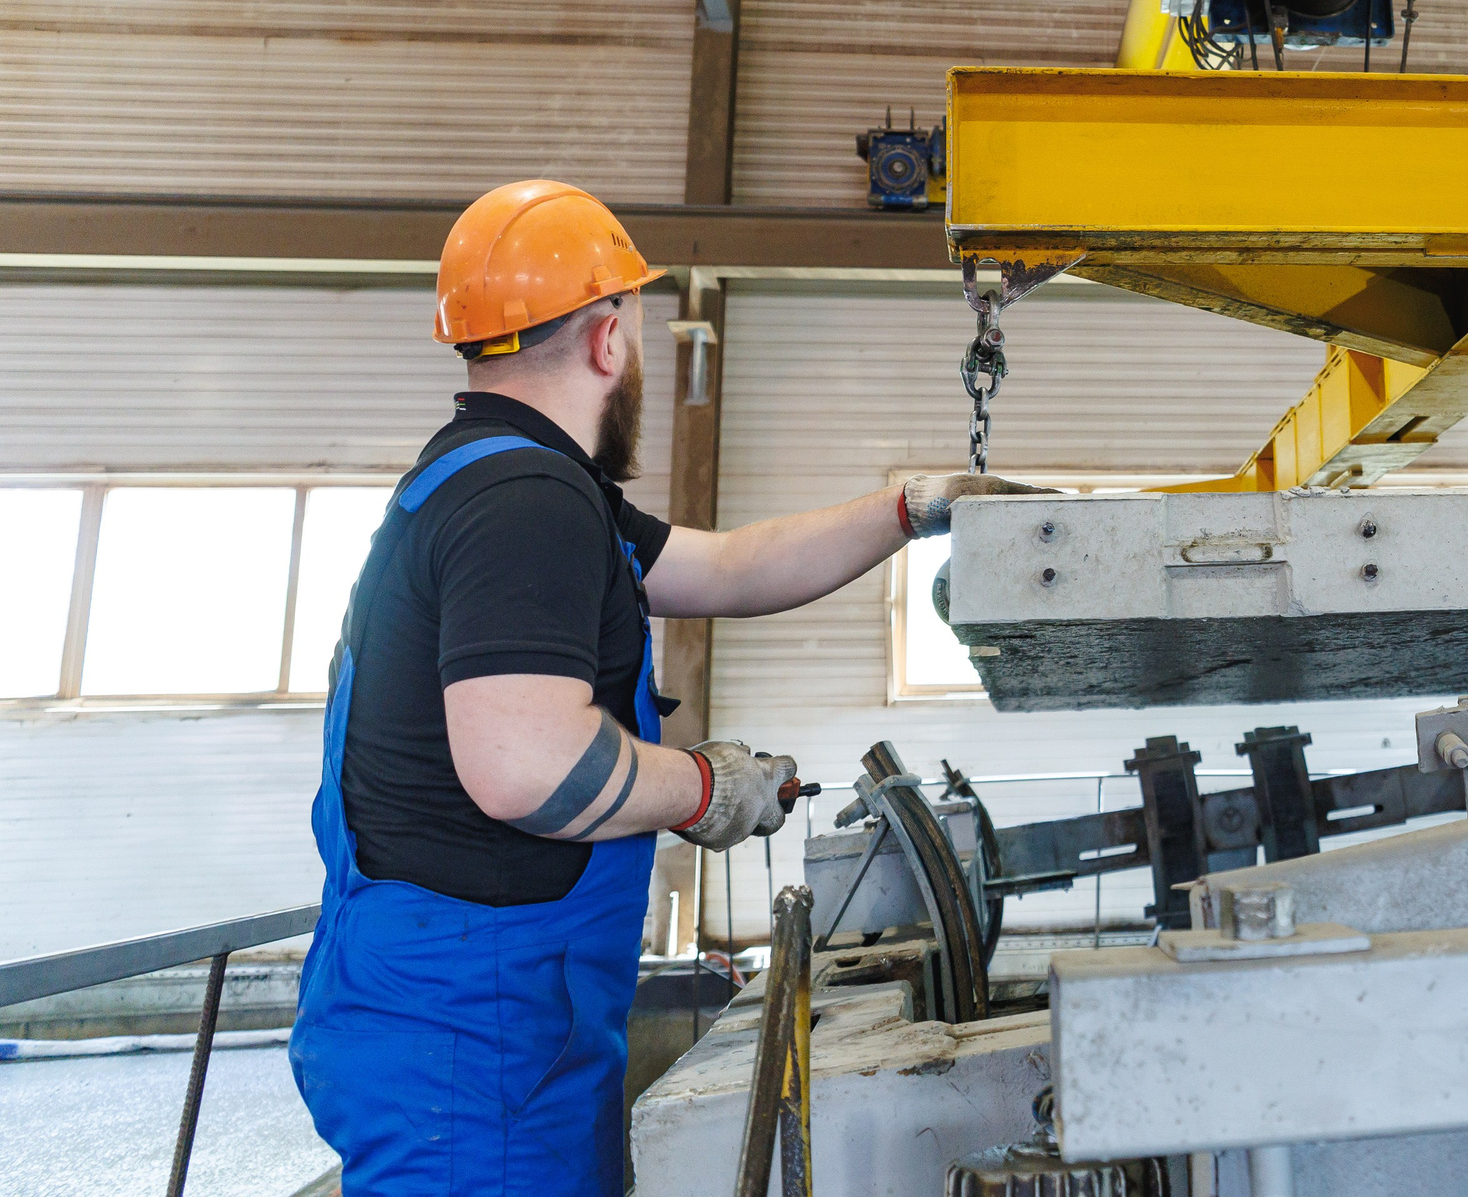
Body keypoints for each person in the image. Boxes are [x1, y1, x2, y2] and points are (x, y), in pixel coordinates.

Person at [289, 178, 1042, 1196]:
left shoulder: (504, 481)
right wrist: (707, 789)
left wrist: (908, 507)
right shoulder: (525, 501)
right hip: (475, 1034)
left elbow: (728, 568)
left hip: (464, 1008)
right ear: (608, 338)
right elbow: (529, 768)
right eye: (634, 327)